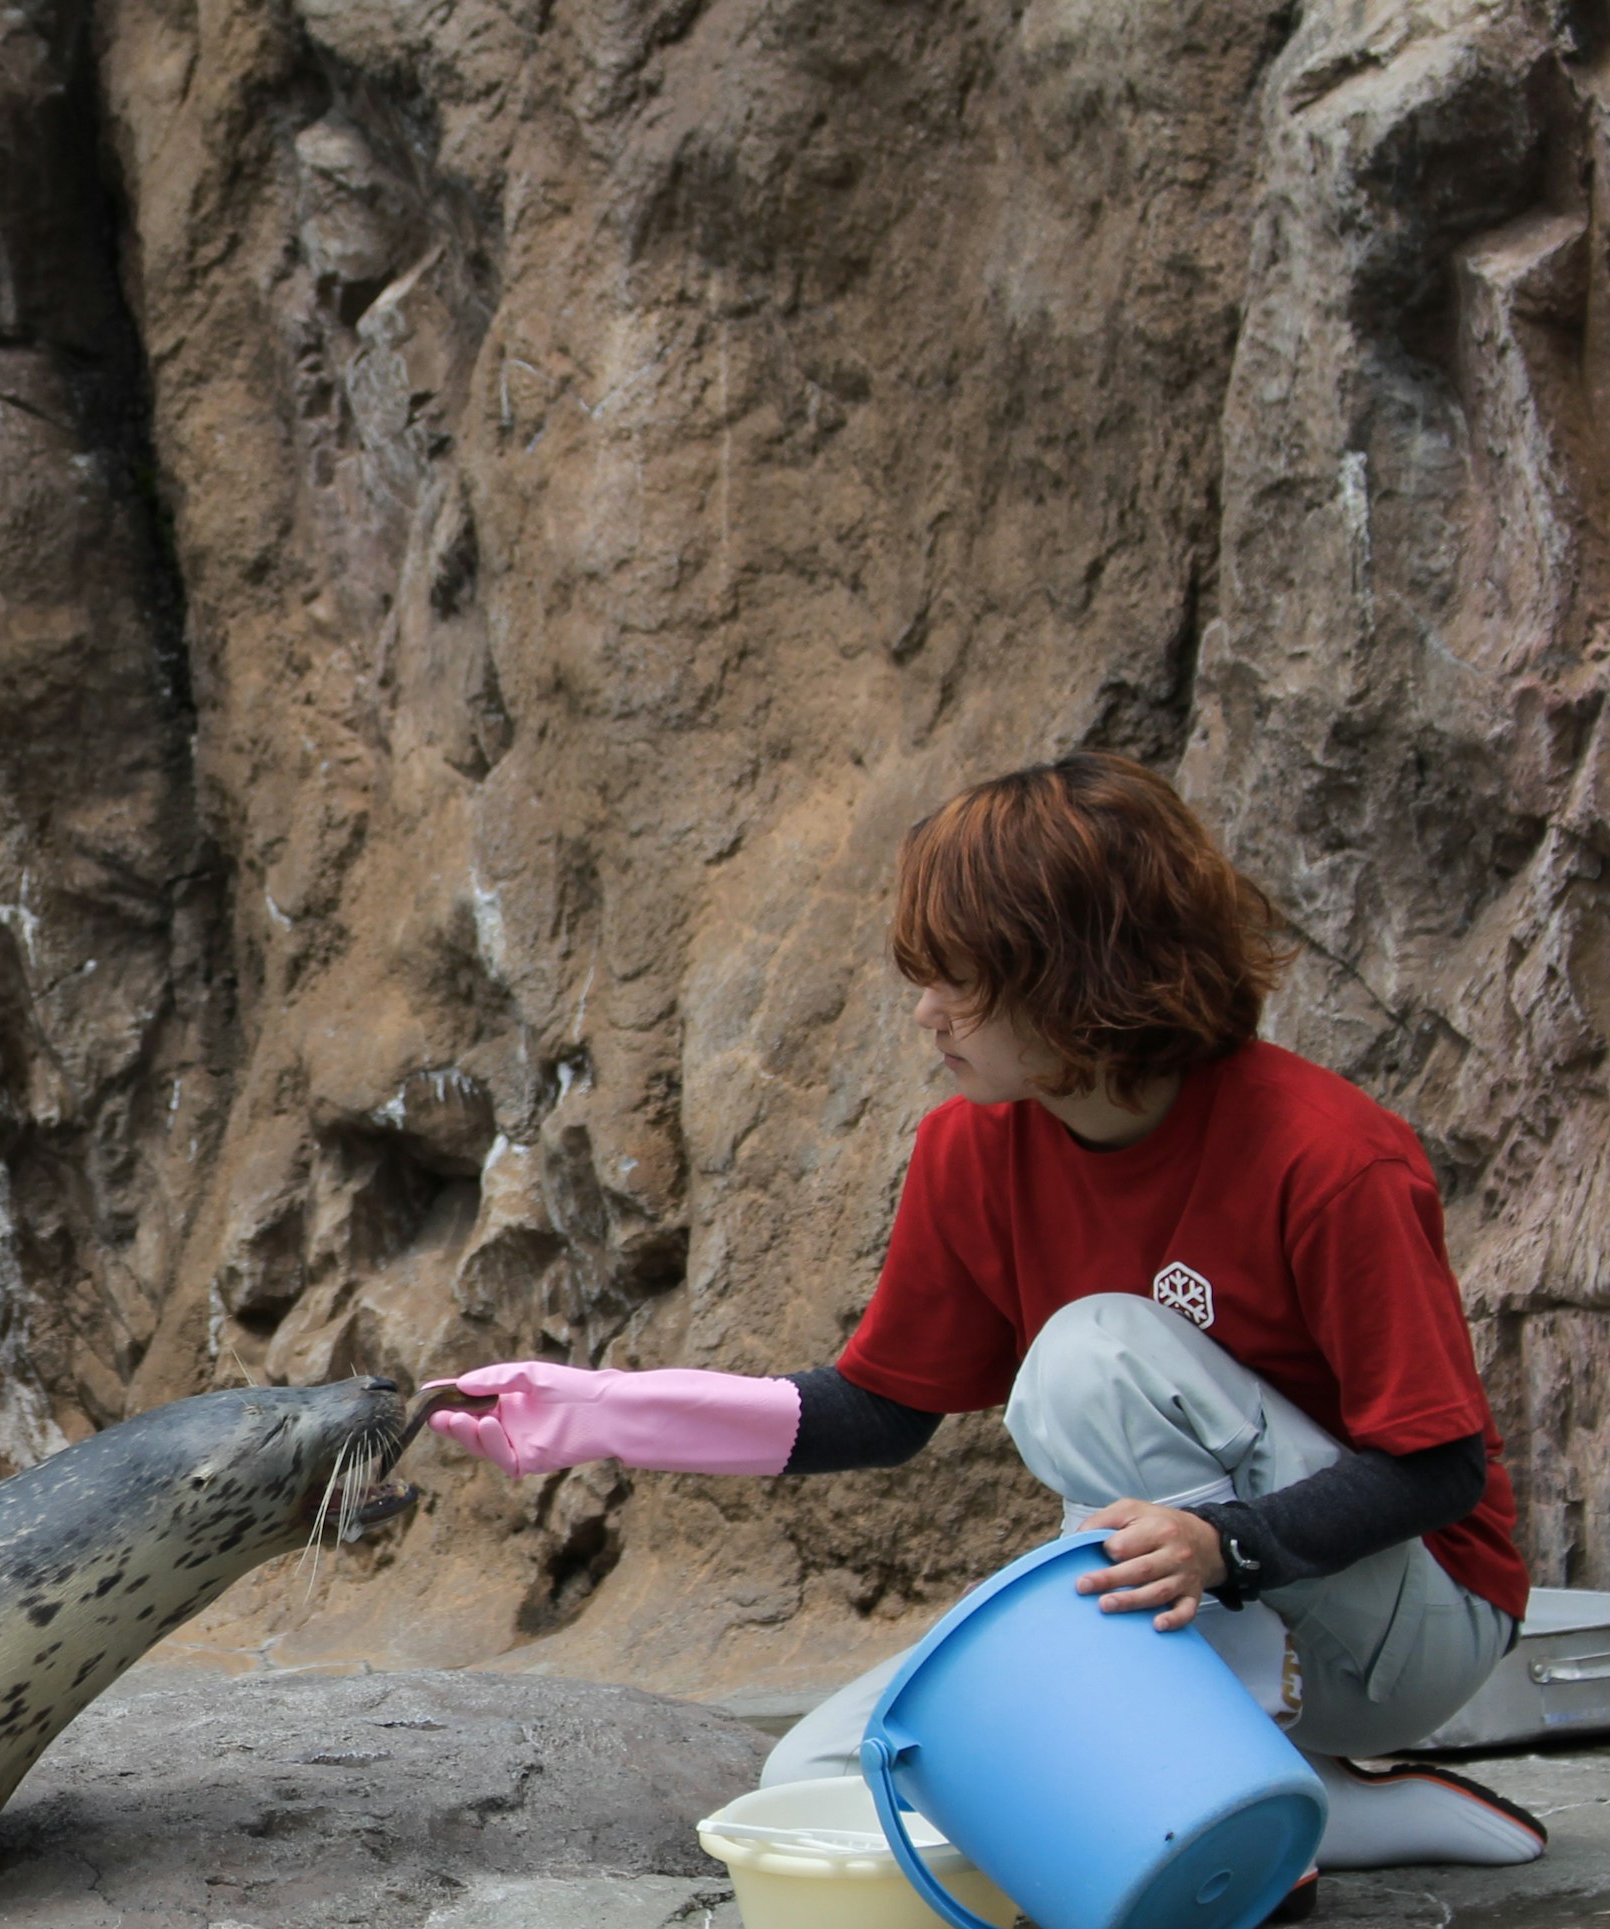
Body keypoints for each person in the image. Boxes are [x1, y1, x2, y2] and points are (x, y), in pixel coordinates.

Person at [423, 752, 1544, 1872]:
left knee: (1091, 1355)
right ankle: (1314, 1807)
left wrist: (1224, 1545)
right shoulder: (968, 1147)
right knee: (822, 1773)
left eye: (958, 977)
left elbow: (1436, 1465)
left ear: (1076, 972)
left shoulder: (1329, 1156)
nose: (925, 1012)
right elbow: (880, 1411)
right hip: (1179, 1599)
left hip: (1400, 1627)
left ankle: (1227, 1789)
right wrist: (607, 1411)